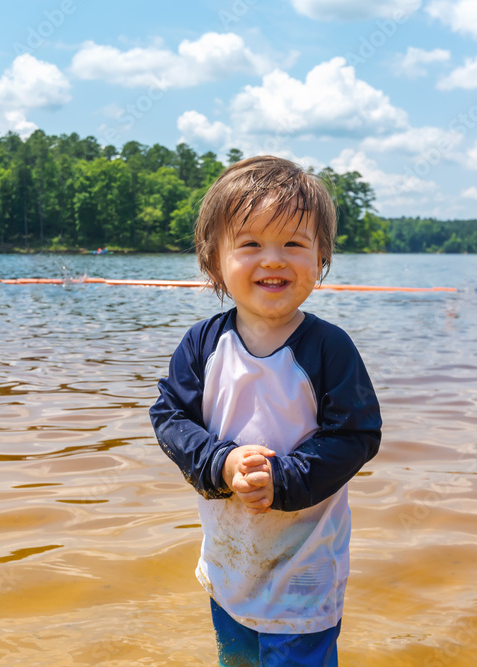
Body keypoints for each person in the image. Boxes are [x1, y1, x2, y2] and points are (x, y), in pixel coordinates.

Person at [149, 155, 382, 666]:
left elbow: (357, 435)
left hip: (304, 576)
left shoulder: (328, 348)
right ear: (215, 261)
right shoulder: (202, 345)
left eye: (294, 244)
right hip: (231, 566)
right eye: (251, 244)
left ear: (320, 257)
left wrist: (284, 478)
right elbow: (170, 418)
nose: (273, 259)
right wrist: (220, 463)